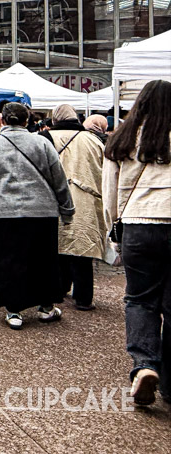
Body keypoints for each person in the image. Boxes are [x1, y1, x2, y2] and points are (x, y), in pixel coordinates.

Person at [0, 102, 73, 330]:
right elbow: (58, 178)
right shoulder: (42, 142)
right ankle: (46, 307)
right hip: (42, 210)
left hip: (3, 212)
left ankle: (13, 310)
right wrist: (67, 208)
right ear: (27, 121)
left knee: (8, 261)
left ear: (4, 121)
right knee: (43, 260)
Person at [102, 79, 171, 408]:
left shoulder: (122, 138)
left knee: (141, 300)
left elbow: (110, 194)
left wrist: (114, 227)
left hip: (139, 225)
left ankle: (144, 365)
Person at [41, 104, 107, 311]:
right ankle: (83, 298)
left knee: (58, 247)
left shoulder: (46, 139)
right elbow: (103, 171)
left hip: (54, 199)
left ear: (54, 119)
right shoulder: (93, 140)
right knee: (82, 248)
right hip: (86, 200)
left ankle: (59, 290)